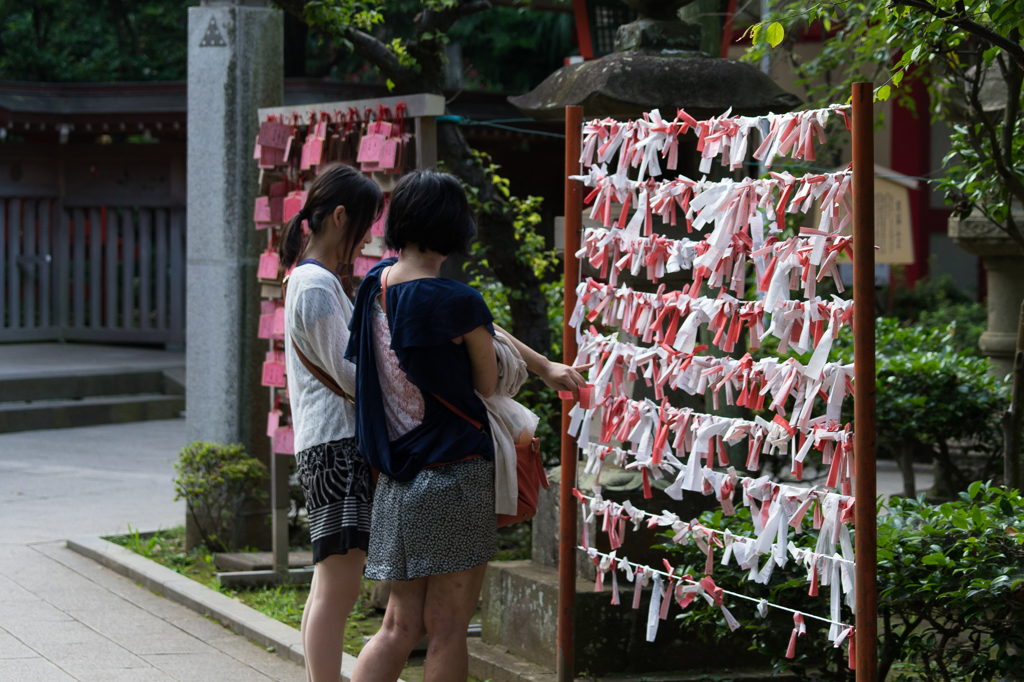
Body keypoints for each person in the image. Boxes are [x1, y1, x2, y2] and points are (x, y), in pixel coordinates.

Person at [345, 170, 584, 682]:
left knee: (397, 626)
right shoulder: (458, 301)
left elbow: (470, 326)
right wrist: (531, 369)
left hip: (396, 477)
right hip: (454, 475)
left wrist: (544, 365)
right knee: (449, 626)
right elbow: (489, 382)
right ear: (456, 228)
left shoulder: (375, 286)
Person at [279, 163, 384, 682]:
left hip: (324, 445)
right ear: (340, 217)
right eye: (362, 228)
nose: (363, 241)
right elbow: (348, 375)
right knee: (340, 587)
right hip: (337, 447)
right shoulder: (317, 285)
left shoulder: (307, 279)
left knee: (328, 584)